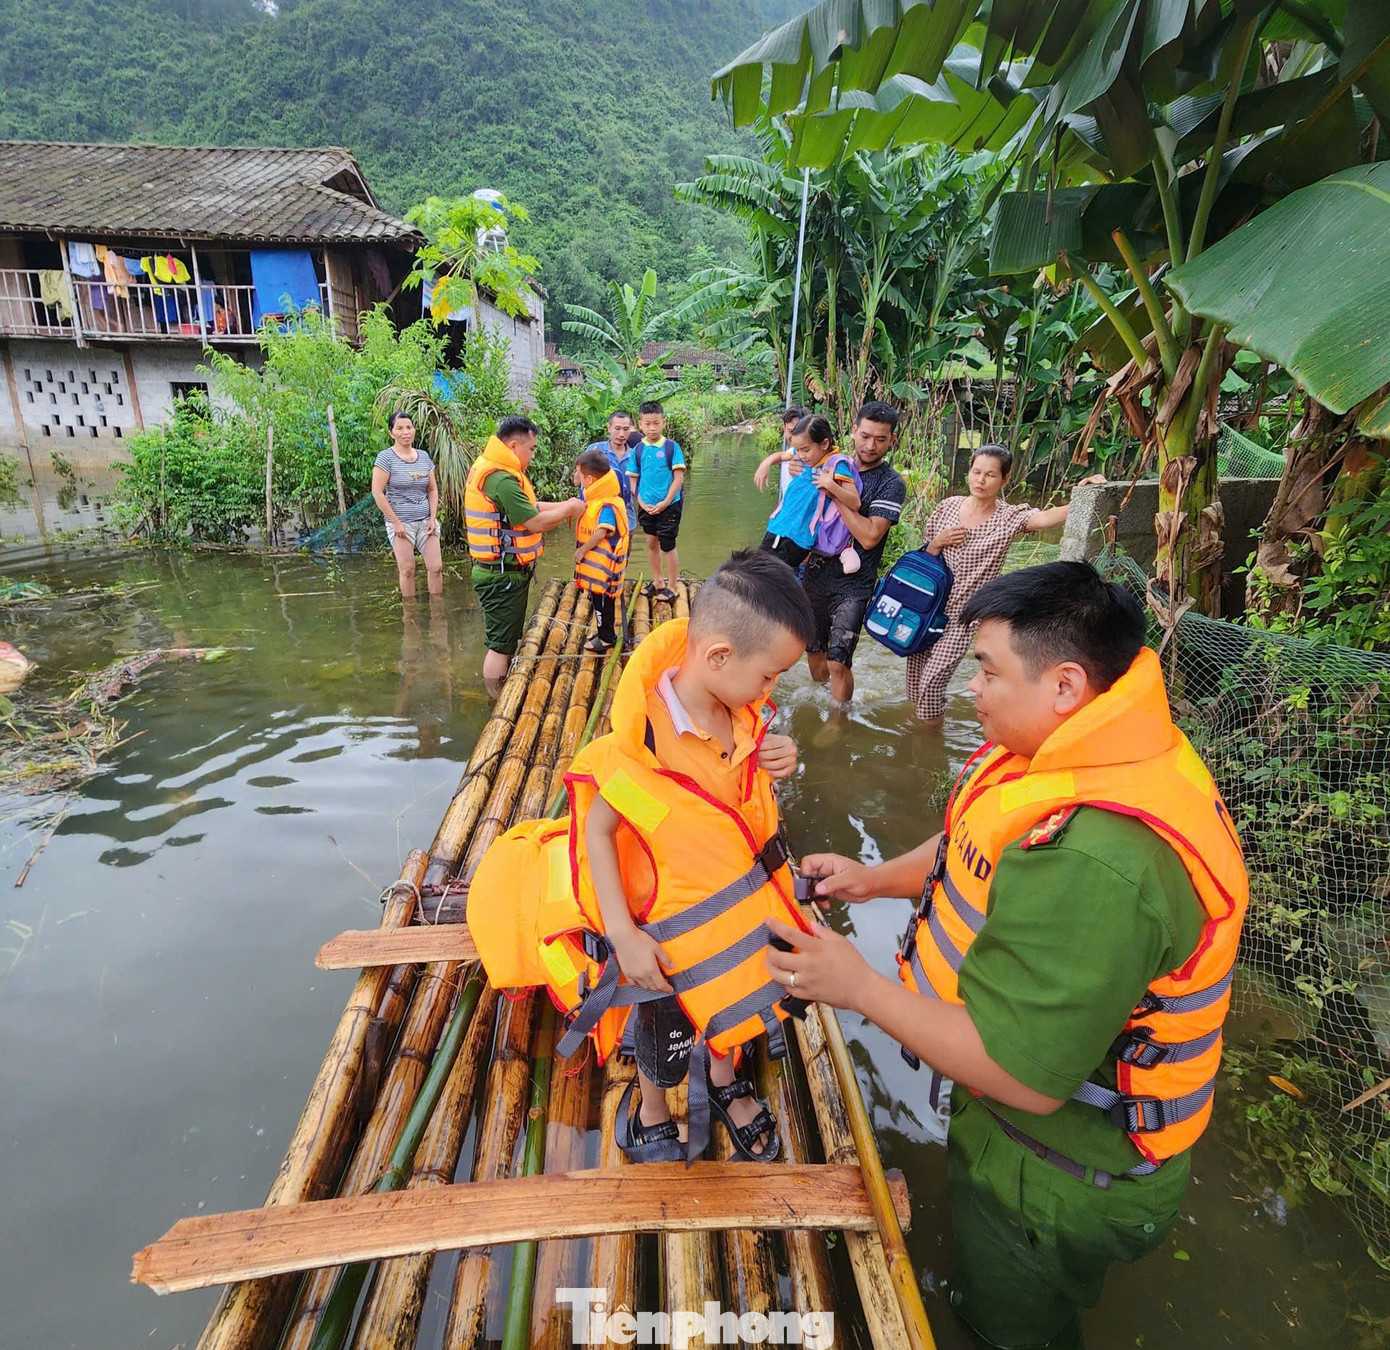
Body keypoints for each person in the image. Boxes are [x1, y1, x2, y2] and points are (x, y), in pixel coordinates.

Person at [763, 562, 1249, 1350]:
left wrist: (858, 985)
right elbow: (973, 842)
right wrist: (873, 879)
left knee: (1006, 1327)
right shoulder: (1085, 747)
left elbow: (1021, 1077)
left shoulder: (1101, 860)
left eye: (987, 670)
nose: (972, 688)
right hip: (1032, 1128)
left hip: (1058, 1173)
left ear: (1064, 684)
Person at [576, 550, 814, 1162]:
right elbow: (599, 832)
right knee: (665, 1030)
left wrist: (778, 756)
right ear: (718, 657)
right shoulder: (644, 745)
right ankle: (652, 1108)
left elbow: (738, 810)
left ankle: (724, 1074)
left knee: (735, 996)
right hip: (670, 930)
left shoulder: (744, 711)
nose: (771, 690)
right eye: (769, 676)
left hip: (736, 912)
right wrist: (624, 935)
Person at [907, 444, 1106, 723]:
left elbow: (1043, 518)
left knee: (932, 682)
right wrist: (938, 542)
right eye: (976, 472)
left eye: (990, 475)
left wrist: (1080, 497)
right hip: (927, 608)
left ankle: (925, 741)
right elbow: (924, 557)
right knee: (914, 683)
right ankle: (922, 728)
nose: (981, 480)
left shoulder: (1007, 518)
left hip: (964, 616)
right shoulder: (947, 507)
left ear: (1005, 479)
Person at [464, 414, 583, 694]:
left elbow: (531, 507)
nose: (532, 455)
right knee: (500, 645)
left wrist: (566, 504)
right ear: (514, 446)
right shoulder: (500, 479)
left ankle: (498, 690)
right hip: (501, 576)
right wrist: (568, 510)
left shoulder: (494, 469)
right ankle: (496, 698)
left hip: (503, 572)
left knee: (504, 640)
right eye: (531, 449)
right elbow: (534, 522)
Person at [799, 401, 907, 704]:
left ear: (892, 440)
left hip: (854, 584)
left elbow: (870, 536)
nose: (871, 446)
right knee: (814, 654)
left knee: (838, 661)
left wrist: (836, 492)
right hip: (815, 574)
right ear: (854, 430)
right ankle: (823, 698)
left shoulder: (891, 483)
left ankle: (838, 718)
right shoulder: (830, 464)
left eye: (880, 439)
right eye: (866, 436)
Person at [755, 414, 861, 569]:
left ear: (824, 444)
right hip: (779, 527)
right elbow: (782, 455)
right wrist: (766, 463)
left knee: (768, 574)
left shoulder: (836, 465)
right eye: (798, 450)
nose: (801, 455)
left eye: (805, 450)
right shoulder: (805, 457)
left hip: (798, 536)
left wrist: (830, 485)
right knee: (757, 571)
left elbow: (855, 502)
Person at [372, 411, 443, 599]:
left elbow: (432, 490)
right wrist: (396, 522)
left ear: (414, 430)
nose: (405, 432)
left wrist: (433, 518)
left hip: (426, 521)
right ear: (391, 433)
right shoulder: (386, 458)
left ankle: (438, 611)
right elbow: (377, 493)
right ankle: (410, 611)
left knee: (436, 568)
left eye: (409, 427)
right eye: (400, 428)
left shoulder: (423, 456)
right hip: (401, 524)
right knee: (408, 570)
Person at [627, 400, 685, 603]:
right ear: (640, 424)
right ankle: (658, 581)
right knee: (651, 542)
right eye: (647, 424)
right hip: (647, 505)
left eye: (656, 423)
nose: (652, 428)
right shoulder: (637, 450)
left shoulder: (671, 447)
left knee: (667, 545)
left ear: (663, 423)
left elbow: (679, 477)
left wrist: (666, 501)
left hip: (669, 505)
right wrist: (641, 502)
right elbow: (633, 479)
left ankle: (672, 586)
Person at [573, 446, 630, 653]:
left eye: (578, 473)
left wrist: (582, 551)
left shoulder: (606, 505)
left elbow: (602, 532)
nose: (576, 476)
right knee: (600, 603)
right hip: (600, 571)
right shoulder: (599, 499)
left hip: (605, 572)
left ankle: (606, 638)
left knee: (603, 605)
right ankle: (603, 632)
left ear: (589, 480)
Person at [751, 405, 809, 500]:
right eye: (790, 431)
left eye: (798, 431)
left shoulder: (815, 455)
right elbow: (781, 456)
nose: (794, 436)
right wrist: (765, 464)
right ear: (784, 428)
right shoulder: (792, 452)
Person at [586, 410, 637, 514]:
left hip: (625, 512)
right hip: (598, 511)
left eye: (626, 429)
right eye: (617, 429)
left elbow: (638, 487)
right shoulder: (595, 449)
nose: (621, 434)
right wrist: (589, 461)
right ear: (609, 428)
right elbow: (577, 481)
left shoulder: (635, 455)